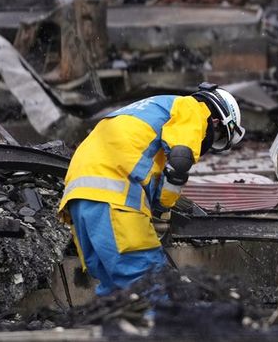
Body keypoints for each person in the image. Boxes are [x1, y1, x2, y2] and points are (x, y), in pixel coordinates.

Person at [58, 84, 244, 295]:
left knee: (115, 292)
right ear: (218, 121)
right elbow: (180, 159)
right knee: (149, 283)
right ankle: (159, 327)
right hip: (115, 196)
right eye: (218, 137)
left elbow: (136, 157)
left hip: (78, 196)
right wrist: (163, 209)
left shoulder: (149, 108)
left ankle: (120, 327)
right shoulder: (193, 108)